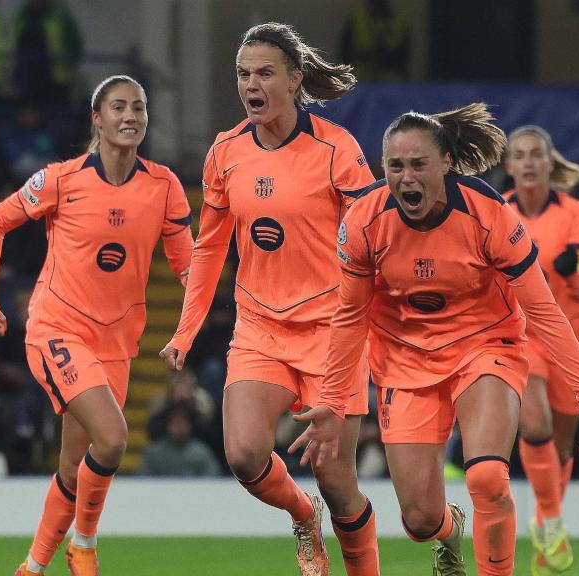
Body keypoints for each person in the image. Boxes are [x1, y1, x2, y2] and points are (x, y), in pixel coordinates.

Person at [290, 103, 579, 576]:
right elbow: (349, 317)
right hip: (404, 362)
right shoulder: (364, 220)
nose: (406, 177)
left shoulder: (489, 214)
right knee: (420, 520)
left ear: (445, 163)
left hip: (484, 348)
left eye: (418, 164)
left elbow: (544, 310)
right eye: (395, 165)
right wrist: (333, 401)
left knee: (486, 475)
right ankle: (449, 533)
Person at [160, 22, 379, 576]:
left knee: (337, 479)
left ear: (294, 81)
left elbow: (377, 242)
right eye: (242, 73)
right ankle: (304, 518)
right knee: (243, 454)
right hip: (260, 326)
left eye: (263, 73)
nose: (250, 84)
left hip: (333, 331)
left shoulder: (337, 149)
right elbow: (209, 249)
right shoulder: (226, 152)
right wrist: (186, 330)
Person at [0, 75, 193, 576]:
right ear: (97, 118)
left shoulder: (164, 187)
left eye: (139, 108)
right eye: (118, 107)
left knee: (74, 467)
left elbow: (188, 268)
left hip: (117, 343)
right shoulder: (61, 179)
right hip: (57, 330)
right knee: (113, 439)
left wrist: (200, 320)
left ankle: (32, 567)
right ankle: (85, 545)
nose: (131, 116)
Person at [503, 124, 579, 575]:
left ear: (548, 161)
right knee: (533, 424)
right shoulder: (498, 212)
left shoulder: (574, 212)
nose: (527, 163)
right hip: (523, 336)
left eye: (535, 154)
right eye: (518, 155)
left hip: (570, 341)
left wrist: (571, 272)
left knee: (559, 449)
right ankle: (554, 520)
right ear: (509, 166)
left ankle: (546, 535)